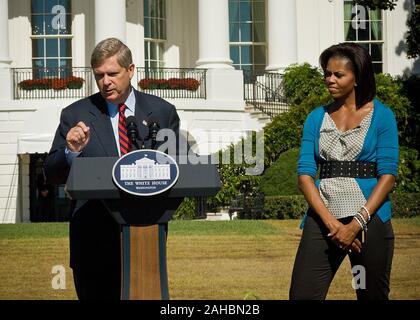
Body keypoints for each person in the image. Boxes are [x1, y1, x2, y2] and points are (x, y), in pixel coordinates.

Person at [44, 38, 180, 300]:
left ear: (131, 70)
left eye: (112, 74)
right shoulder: (75, 114)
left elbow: (176, 168)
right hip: (92, 242)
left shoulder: (162, 112)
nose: (105, 81)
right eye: (99, 76)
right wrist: (71, 151)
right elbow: (51, 174)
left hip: (146, 238)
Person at [289, 42, 399, 300]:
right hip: (323, 220)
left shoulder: (382, 117)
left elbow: (388, 176)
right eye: (327, 73)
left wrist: (356, 224)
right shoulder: (316, 118)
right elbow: (305, 175)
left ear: (358, 77)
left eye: (338, 74)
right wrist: (333, 224)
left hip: (370, 221)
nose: (330, 79)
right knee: (302, 295)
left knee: (371, 295)